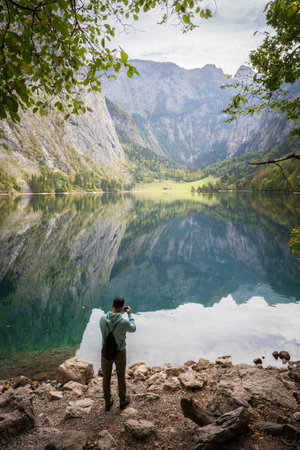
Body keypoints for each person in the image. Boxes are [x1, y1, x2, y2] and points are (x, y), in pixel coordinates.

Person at [100, 296, 136, 411]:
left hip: (105, 352)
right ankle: (122, 401)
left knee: (106, 377)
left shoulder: (102, 318)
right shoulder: (123, 321)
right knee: (121, 377)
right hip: (120, 352)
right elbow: (133, 328)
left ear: (112, 305)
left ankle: (107, 402)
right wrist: (130, 315)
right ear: (122, 308)